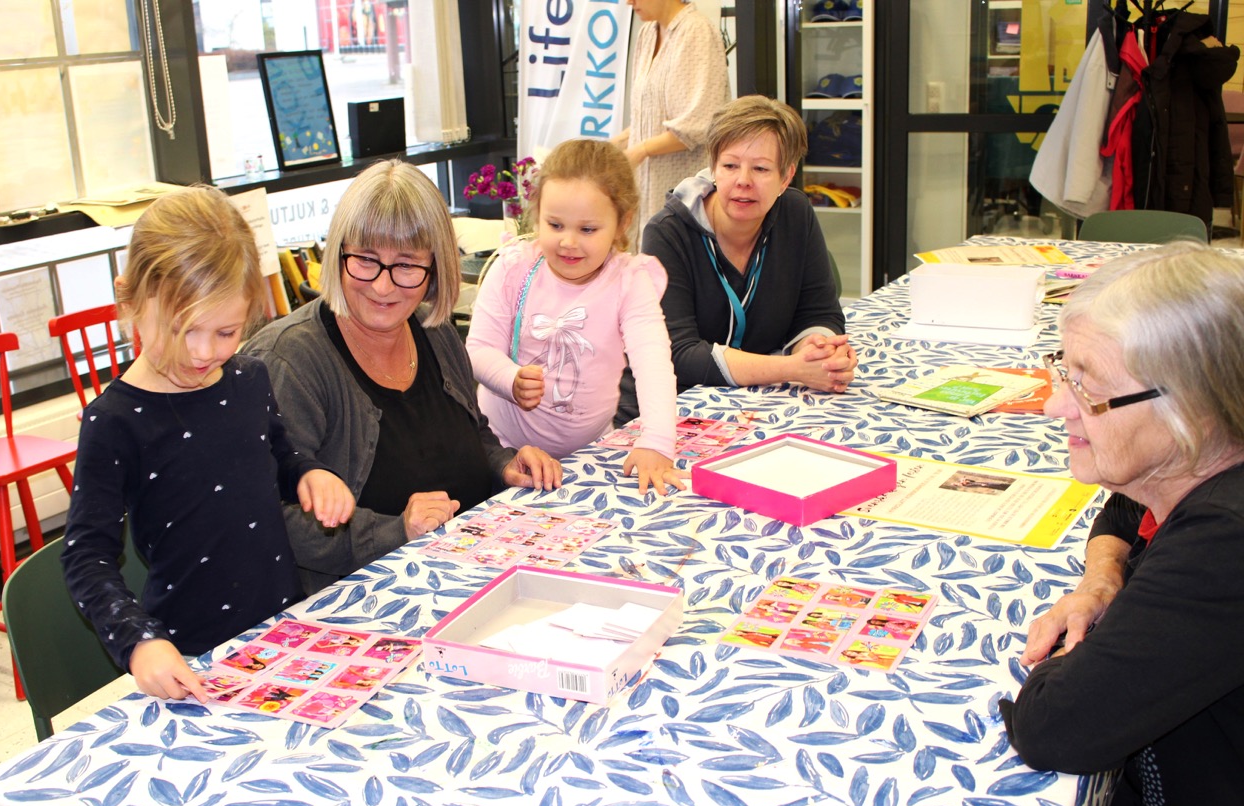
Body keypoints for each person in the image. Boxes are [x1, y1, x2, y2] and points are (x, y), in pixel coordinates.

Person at [62, 187, 356, 703]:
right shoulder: (113, 421)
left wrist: (310, 473)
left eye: (225, 332)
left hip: (280, 631)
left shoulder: (248, 378)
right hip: (192, 656)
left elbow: (279, 458)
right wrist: (138, 643)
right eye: (182, 330)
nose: (203, 353)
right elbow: (86, 555)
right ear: (129, 301)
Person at [1000, 243, 1244, 806]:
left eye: (1088, 388)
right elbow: (1127, 503)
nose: (1058, 406)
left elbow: (1056, 726)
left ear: (1191, 407)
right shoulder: (1203, 458)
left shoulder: (1225, 544)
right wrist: (1103, 578)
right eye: (1066, 374)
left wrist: (1097, 641)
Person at [243, 161, 562, 595]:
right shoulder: (288, 361)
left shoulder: (436, 330)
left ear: (436, 267)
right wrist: (396, 532)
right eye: (365, 261)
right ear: (337, 254)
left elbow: (472, 436)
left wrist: (505, 465)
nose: (383, 287)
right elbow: (268, 516)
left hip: (466, 572)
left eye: (407, 265)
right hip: (360, 602)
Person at [616, 96, 855, 424]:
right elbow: (680, 353)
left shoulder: (796, 215)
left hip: (752, 410)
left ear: (786, 177)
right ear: (713, 167)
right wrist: (792, 369)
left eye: (760, 168)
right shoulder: (668, 232)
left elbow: (819, 311)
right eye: (730, 166)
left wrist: (820, 353)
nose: (743, 180)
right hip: (667, 414)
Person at [467, 139, 683, 494]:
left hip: (585, 456)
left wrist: (657, 442)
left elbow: (653, 362)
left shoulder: (630, 281)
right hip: (502, 451)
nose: (568, 242)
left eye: (587, 230)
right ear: (537, 215)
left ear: (622, 223)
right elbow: (477, 349)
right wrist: (511, 378)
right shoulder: (513, 268)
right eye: (555, 225)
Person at [615, 0, 729, 231]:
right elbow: (648, 118)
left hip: (683, 190)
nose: (628, 2)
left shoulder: (696, 32)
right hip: (647, 191)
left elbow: (698, 125)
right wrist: (613, 146)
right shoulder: (647, 33)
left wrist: (639, 151)